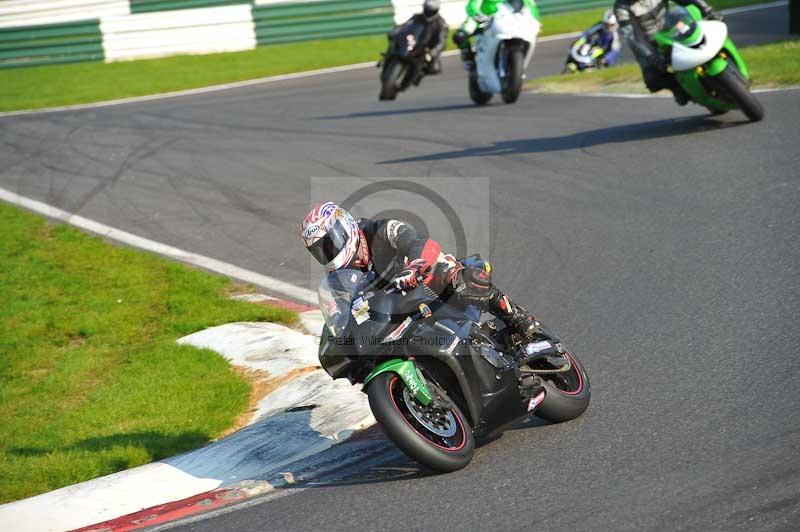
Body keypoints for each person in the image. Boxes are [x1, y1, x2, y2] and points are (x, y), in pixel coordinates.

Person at [301, 202, 538, 339]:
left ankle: (518, 318)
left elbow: (420, 243)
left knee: (458, 278)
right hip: (394, 313)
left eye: (329, 244)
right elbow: (340, 316)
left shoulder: (381, 229)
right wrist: (338, 328)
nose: (327, 253)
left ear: (344, 228)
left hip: (426, 282)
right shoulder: (339, 279)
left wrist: (414, 267)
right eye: (320, 251)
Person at [614, 0, 722, 104]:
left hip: (673, 29)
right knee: (652, 79)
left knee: (706, 31)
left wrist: (708, 10)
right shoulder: (621, 7)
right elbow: (631, 37)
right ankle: (678, 88)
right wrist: (650, 55)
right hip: (650, 44)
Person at [452, 0, 541, 70]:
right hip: (484, 19)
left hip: (507, 20)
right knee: (460, 35)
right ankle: (467, 56)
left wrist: (535, 19)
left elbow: (530, 6)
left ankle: (516, 63)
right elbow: (472, 6)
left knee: (530, 32)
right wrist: (478, 16)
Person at [389, 0, 449, 75]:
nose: (428, 13)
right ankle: (388, 58)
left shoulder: (441, 24)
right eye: (427, 10)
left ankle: (418, 73)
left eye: (431, 11)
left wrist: (433, 52)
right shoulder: (417, 17)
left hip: (428, 48)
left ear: (436, 10)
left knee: (434, 68)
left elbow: (441, 42)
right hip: (414, 41)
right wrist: (396, 31)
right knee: (394, 40)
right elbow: (405, 25)